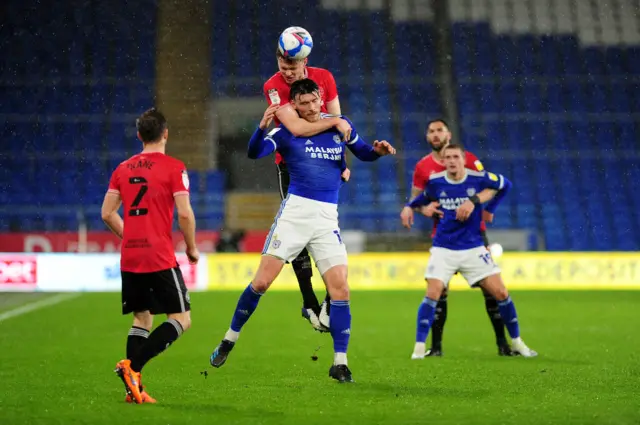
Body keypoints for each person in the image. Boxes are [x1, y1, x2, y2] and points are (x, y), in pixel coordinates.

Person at [209, 79, 396, 383]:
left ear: (321, 98)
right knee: (261, 283)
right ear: (293, 105)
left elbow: (362, 152)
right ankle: (229, 340)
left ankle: (340, 363)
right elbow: (254, 153)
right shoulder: (285, 132)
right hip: (294, 215)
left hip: (326, 219)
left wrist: (377, 151)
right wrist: (260, 127)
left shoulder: (339, 125)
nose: (310, 108)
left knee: (341, 290)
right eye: (303, 103)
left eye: (314, 101)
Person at [402, 143, 537, 359]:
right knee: (433, 292)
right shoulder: (436, 182)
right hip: (443, 247)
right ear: (443, 161)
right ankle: (419, 348)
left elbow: (505, 185)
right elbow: (420, 199)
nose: (452, 161)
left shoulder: (478, 178)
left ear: (463, 159)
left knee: (501, 293)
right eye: (448, 157)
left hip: (473, 246)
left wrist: (485, 208)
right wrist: (409, 207)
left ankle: (517, 343)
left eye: (456, 157)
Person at [101, 108, 199, 404]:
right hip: (158, 255)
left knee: (142, 318)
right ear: (165, 134)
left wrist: (130, 236)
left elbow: (107, 213)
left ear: (139, 136)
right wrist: (191, 247)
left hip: (130, 255)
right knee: (182, 318)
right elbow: (184, 213)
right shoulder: (173, 168)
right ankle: (133, 367)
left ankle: (135, 391)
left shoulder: (122, 169)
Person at [263, 42, 353, 331]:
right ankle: (309, 300)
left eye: (292, 67)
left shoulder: (324, 77)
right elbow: (298, 128)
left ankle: (329, 298)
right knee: (296, 233)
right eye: (282, 67)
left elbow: (339, 125)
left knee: (328, 231)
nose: (286, 73)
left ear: (305, 61)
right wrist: (335, 123)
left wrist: (342, 161)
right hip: (290, 165)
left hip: (325, 163)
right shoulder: (272, 86)